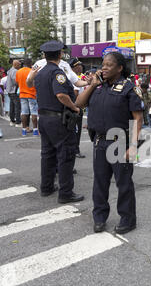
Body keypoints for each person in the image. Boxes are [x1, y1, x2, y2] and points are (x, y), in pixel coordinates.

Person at [75, 52, 144, 235]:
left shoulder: (129, 88)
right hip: (99, 142)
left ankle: (128, 219)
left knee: (124, 184)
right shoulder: (97, 86)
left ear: (120, 68)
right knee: (99, 183)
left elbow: (138, 119)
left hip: (120, 142)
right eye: (102, 64)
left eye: (108, 65)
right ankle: (99, 217)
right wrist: (92, 85)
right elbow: (79, 103)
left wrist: (133, 146)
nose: (103, 68)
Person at [33, 40, 84, 204]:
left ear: (44, 56)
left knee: (47, 154)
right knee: (66, 155)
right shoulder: (58, 73)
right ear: (60, 55)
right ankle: (66, 193)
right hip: (58, 120)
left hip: (44, 118)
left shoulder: (40, 73)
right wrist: (74, 107)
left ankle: (46, 187)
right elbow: (61, 95)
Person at [16, 59, 39, 137]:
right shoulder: (32, 71)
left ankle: (24, 130)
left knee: (24, 112)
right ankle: (35, 130)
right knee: (34, 112)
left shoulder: (18, 71)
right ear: (30, 63)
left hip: (22, 94)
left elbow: (17, 82)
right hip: (32, 94)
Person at [69, 58, 86, 159]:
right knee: (76, 130)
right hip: (76, 107)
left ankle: (74, 149)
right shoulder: (73, 76)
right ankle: (76, 150)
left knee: (74, 130)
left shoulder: (74, 76)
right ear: (74, 67)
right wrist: (76, 107)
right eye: (78, 66)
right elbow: (75, 93)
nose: (80, 67)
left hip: (74, 107)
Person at [6, 60, 22, 127]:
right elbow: (15, 81)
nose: (20, 66)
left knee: (12, 106)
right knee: (17, 106)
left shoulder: (10, 70)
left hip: (10, 90)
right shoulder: (15, 71)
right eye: (19, 65)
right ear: (15, 65)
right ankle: (18, 122)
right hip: (14, 90)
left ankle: (12, 120)